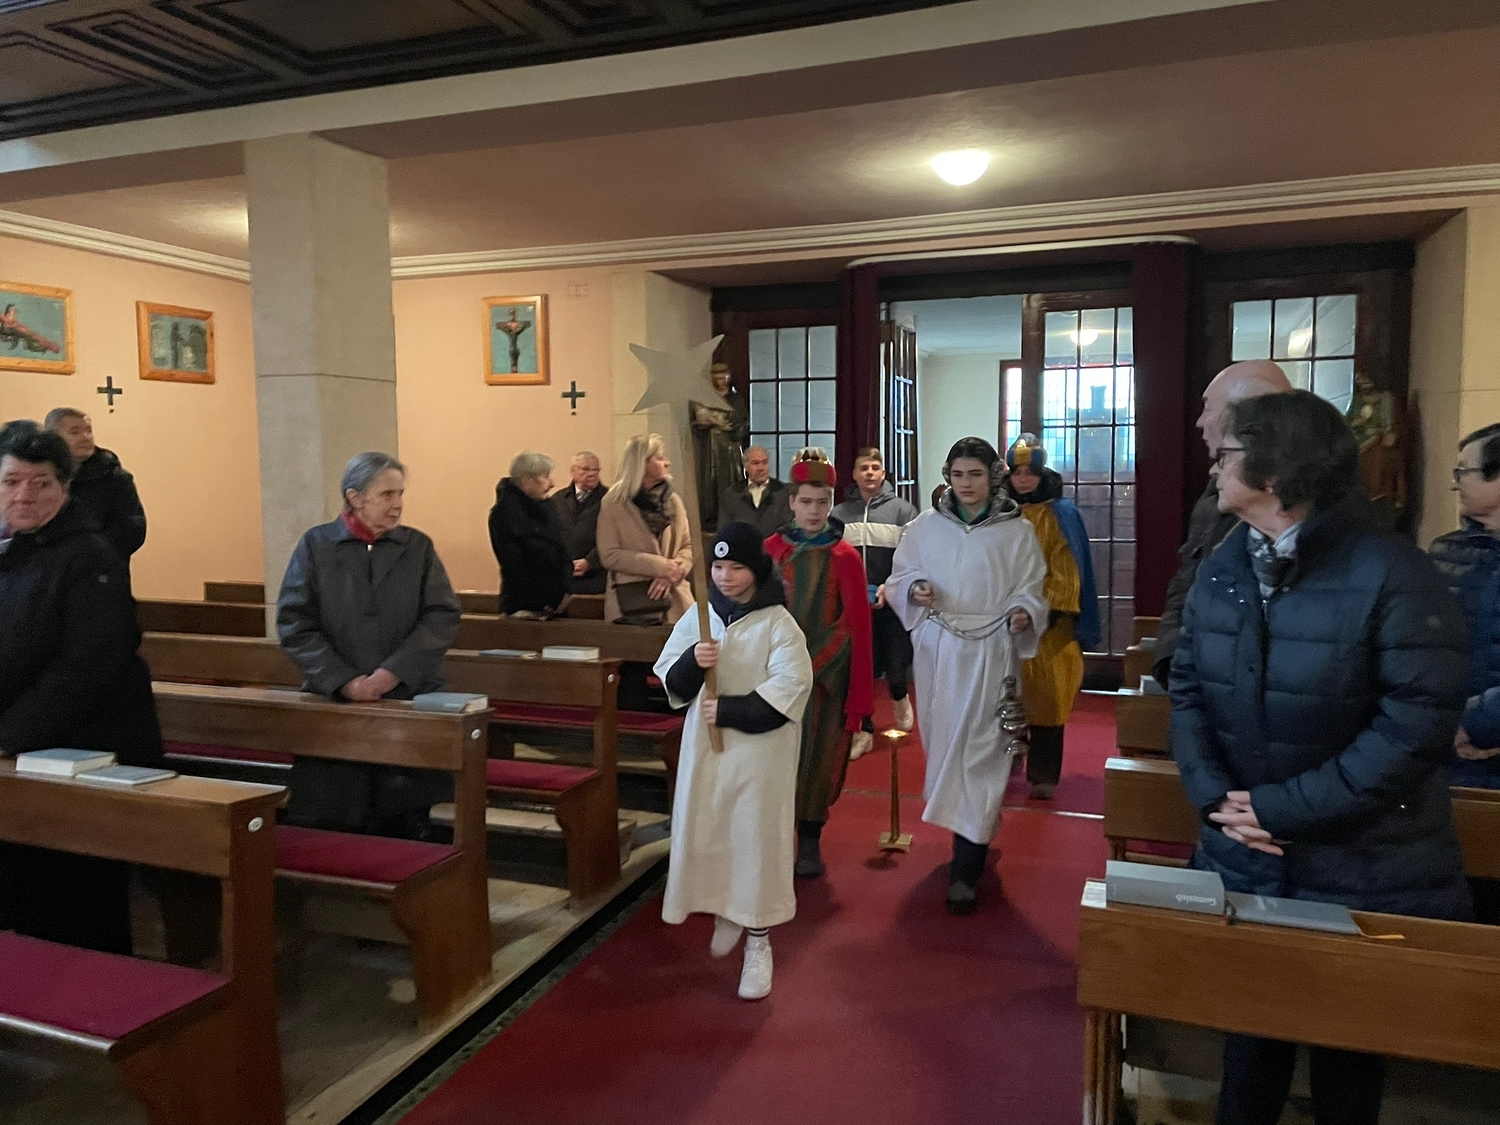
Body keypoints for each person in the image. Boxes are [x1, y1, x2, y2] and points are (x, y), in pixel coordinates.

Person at [1171, 391, 1472, 1125]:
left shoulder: (1391, 570)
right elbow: (1188, 688)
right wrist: (1216, 799)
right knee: (1249, 1041)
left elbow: (1416, 723)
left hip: (1361, 858)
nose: (1213, 465)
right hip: (1246, 850)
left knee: (1346, 1055)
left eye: (1228, 452)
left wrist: (1283, 808)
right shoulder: (1226, 562)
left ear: (1276, 469)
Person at [0, 429, 163, 954]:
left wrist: (8, 736)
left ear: (65, 488)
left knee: (78, 903)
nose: (24, 495)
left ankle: (95, 994)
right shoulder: (12, 552)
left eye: (41, 483)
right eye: (11, 481)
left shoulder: (90, 556)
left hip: (85, 753)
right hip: (24, 753)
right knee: (23, 897)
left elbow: (89, 666)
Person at [888, 437, 1047, 914]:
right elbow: (899, 576)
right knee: (945, 747)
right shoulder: (924, 527)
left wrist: (1023, 610)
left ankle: (966, 866)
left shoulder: (1016, 532)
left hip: (992, 651)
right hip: (939, 650)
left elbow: (1032, 587)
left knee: (982, 751)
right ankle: (973, 833)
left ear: (993, 476)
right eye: (958, 475)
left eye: (975, 475)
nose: (966, 484)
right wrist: (914, 587)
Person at [655, 522, 813, 1001]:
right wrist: (694, 661)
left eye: (736, 567)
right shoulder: (700, 616)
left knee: (753, 838)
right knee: (711, 829)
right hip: (707, 752)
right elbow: (670, 678)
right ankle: (728, 909)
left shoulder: (777, 622)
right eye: (718, 567)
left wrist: (730, 710)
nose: (725, 577)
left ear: (757, 570)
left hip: (759, 755)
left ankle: (758, 940)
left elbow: (792, 685)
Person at [277, 452, 462, 838]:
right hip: (336, 700)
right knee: (335, 818)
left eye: (400, 493)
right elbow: (295, 623)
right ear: (355, 498)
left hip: (407, 693)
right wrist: (344, 681)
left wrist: (392, 673)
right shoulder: (317, 545)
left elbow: (440, 615)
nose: (397, 504)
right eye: (386, 495)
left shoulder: (417, 547)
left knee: (407, 818)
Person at [764, 448, 874, 878]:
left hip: (826, 678)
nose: (814, 511)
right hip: (772, 673)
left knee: (818, 759)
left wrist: (811, 665)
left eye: (822, 502)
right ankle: (772, 840)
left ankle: (809, 840)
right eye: (806, 501)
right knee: (774, 758)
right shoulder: (771, 551)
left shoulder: (845, 556)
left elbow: (853, 624)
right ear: (791, 501)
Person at [1154, 361, 1292, 686]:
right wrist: (1173, 661)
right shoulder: (1215, 494)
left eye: (1208, 408)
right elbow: (1187, 580)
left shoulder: (1310, 513)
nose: (1200, 422)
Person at [1003, 434, 1100, 800]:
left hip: (1049, 628)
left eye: (1030, 472)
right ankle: (1006, 760)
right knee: (1004, 694)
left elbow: (1067, 568)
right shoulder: (1000, 514)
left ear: (1042, 474)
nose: (1023, 480)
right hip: (1002, 622)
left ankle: (1043, 774)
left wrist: (1041, 610)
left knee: (1047, 698)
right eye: (1017, 473)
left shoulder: (1061, 514)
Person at [1429, 423, 1500, 790]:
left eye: (1463, 472)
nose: (1454, 484)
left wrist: (1477, 723)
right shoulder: (1445, 551)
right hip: (1443, 747)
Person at [832, 446, 919, 732]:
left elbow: (913, 557)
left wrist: (889, 587)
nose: (869, 473)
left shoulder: (903, 510)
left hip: (893, 602)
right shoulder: (839, 514)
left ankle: (900, 697)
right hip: (854, 604)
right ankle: (864, 726)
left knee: (896, 669)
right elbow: (833, 557)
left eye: (874, 468)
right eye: (863, 468)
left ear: (883, 473)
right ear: (854, 474)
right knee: (862, 670)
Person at [596, 433, 694, 625]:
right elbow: (610, 555)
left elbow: (688, 547)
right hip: (632, 602)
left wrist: (672, 574)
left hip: (675, 600)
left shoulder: (673, 501)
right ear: (642, 463)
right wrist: (661, 567)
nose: (667, 462)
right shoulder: (614, 503)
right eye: (660, 457)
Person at [44, 407, 147, 562]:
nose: (85, 437)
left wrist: (87, 555)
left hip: (100, 569)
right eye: (75, 432)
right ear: (52, 438)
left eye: (88, 431)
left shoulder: (115, 478)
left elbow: (132, 531)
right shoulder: (40, 478)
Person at [488, 450, 571, 616]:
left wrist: (565, 590)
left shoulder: (547, 507)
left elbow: (561, 550)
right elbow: (517, 565)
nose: (552, 483)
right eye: (545, 476)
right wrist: (551, 597)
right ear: (527, 481)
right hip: (524, 604)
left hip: (556, 603)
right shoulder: (505, 513)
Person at [691, 362, 749, 529]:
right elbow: (697, 423)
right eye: (716, 378)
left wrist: (728, 425)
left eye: (723, 377)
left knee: (730, 480)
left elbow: (742, 423)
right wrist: (706, 422)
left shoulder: (736, 399)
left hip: (730, 447)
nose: (720, 381)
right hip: (711, 447)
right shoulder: (706, 399)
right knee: (711, 482)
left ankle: (733, 515)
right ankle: (712, 519)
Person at [553, 450, 606, 595]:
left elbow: (613, 538)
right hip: (563, 579)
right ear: (573, 471)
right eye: (586, 469)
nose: (592, 474)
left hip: (596, 579)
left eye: (596, 470)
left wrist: (590, 561)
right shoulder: (558, 499)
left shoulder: (609, 499)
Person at [717, 444, 790, 536]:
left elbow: (788, 527)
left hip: (775, 544)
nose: (761, 468)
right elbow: (723, 531)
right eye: (755, 463)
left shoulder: (783, 492)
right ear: (745, 466)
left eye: (765, 463)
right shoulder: (732, 494)